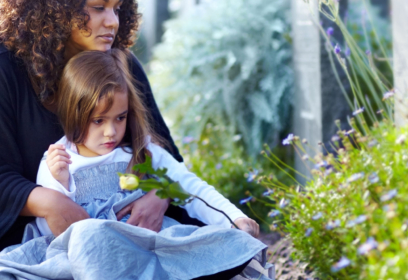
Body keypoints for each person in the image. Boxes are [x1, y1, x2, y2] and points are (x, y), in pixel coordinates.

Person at [0, 0, 259, 268]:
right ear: (57, 7)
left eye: (117, 8)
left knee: (190, 224)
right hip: (32, 214)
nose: (113, 22)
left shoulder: (121, 64)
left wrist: (158, 197)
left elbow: (164, 156)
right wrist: (53, 204)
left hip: (119, 207)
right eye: (98, 7)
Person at [33, 48, 256, 239]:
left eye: (120, 118)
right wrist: (62, 184)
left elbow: (189, 186)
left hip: (146, 244)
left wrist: (234, 218)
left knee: (205, 246)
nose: (111, 132)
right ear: (73, 114)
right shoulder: (58, 160)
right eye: (98, 121)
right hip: (92, 253)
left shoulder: (140, 150)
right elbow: (50, 230)